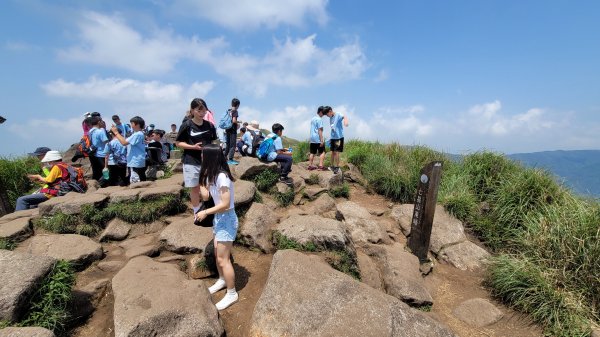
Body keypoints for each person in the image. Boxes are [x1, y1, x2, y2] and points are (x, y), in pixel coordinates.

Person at [195, 144, 239, 310]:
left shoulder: (221, 176)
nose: (200, 158)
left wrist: (205, 212)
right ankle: (222, 280)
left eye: (202, 155)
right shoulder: (212, 175)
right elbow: (206, 196)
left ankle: (232, 293)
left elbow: (226, 204)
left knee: (223, 258)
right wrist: (201, 179)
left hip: (226, 218)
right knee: (216, 253)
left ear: (209, 157)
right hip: (219, 219)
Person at [176, 98, 218, 219]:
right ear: (193, 110)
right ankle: (196, 211)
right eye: (199, 110)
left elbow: (214, 141)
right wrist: (192, 147)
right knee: (194, 188)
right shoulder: (187, 125)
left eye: (204, 110)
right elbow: (178, 143)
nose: (202, 113)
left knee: (209, 186)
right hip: (191, 161)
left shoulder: (210, 125)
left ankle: (209, 209)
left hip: (208, 161)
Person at [111, 116, 147, 183]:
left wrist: (116, 132)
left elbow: (124, 142)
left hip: (135, 161)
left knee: (136, 181)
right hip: (137, 160)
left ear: (138, 124)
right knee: (140, 178)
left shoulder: (137, 134)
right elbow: (124, 141)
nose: (131, 125)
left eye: (132, 123)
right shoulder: (138, 134)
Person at [324, 106, 349, 174]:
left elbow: (344, 116)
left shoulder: (338, 114)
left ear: (330, 111)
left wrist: (346, 122)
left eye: (327, 114)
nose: (327, 116)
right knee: (332, 152)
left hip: (339, 137)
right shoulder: (330, 117)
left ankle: (337, 167)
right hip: (333, 137)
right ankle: (332, 166)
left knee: (336, 152)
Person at [88, 116, 110, 183]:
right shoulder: (100, 131)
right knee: (106, 171)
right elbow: (106, 142)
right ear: (99, 122)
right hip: (103, 154)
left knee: (97, 171)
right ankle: (104, 184)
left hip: (95, 153)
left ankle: (97, 184)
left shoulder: (91, 131)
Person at [308, 106, 327, 171]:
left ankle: (310, 166)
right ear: (321, 112)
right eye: (324, 113)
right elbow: (320, 130)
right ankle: (321, 166)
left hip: (312, 138)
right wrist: (322, 140)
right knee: (322, 152)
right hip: (317, 138)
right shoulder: (319, 119)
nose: (324, 114)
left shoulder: (313, 118)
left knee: (312, 152)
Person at [223, 98, 240, 165]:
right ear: (238, 105)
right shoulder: (235, 111)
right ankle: (230, 159)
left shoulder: (228, 110)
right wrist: (238, 123)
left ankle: (224, 157)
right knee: (233, 145)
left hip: (227, 129)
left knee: (228, 144)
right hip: (233, 130)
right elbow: (233, 120)